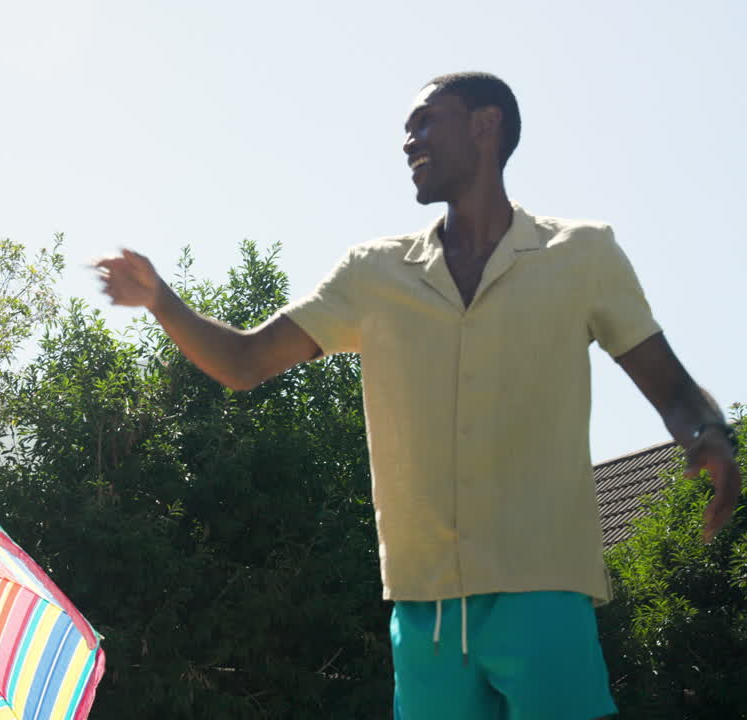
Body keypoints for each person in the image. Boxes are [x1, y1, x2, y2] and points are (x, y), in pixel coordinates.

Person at [94, 72, 741, 720]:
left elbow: (676, 390)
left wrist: (706, 435)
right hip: (424, 610)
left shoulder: (582, 255)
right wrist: (160, 300)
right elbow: (242, 361)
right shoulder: (373, 275)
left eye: (426, 121)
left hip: (541, 591)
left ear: (486, 125)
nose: (409, 141)